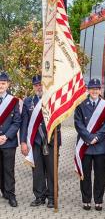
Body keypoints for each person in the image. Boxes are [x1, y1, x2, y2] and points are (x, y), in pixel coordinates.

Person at [20, 75, 60, 209]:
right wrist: (23, 142)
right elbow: (24, 124)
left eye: (41, 84)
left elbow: (58, 120)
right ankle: (39, 196)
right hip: (35, 141)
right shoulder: (28, 102)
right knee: (37, 170)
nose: (39, 87)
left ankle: (52, 197)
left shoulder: (52, 100)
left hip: (50, 140)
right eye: (36, 85)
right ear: (33, 87)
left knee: (51, 170)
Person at [74, 78, 105, 211]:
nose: (94, 91)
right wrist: (89, 137)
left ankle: (98, 200)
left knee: (100, 175)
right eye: (92, 89)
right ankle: (86, 199)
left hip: (100, 145)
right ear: (88, 90)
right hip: (86, 145)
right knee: (85, 174)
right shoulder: (81, 105)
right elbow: (78, 123)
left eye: (97, 89)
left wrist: (97, 137)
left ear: (100, 90)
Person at [0, 72, 21, 207]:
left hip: (9, 141)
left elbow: (17, 121)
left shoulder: (14, 101)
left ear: (7, 85)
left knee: (9, 169)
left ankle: (10, 194)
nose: (1, 86)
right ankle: (4, 191)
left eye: (3, 83)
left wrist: (5, 136)